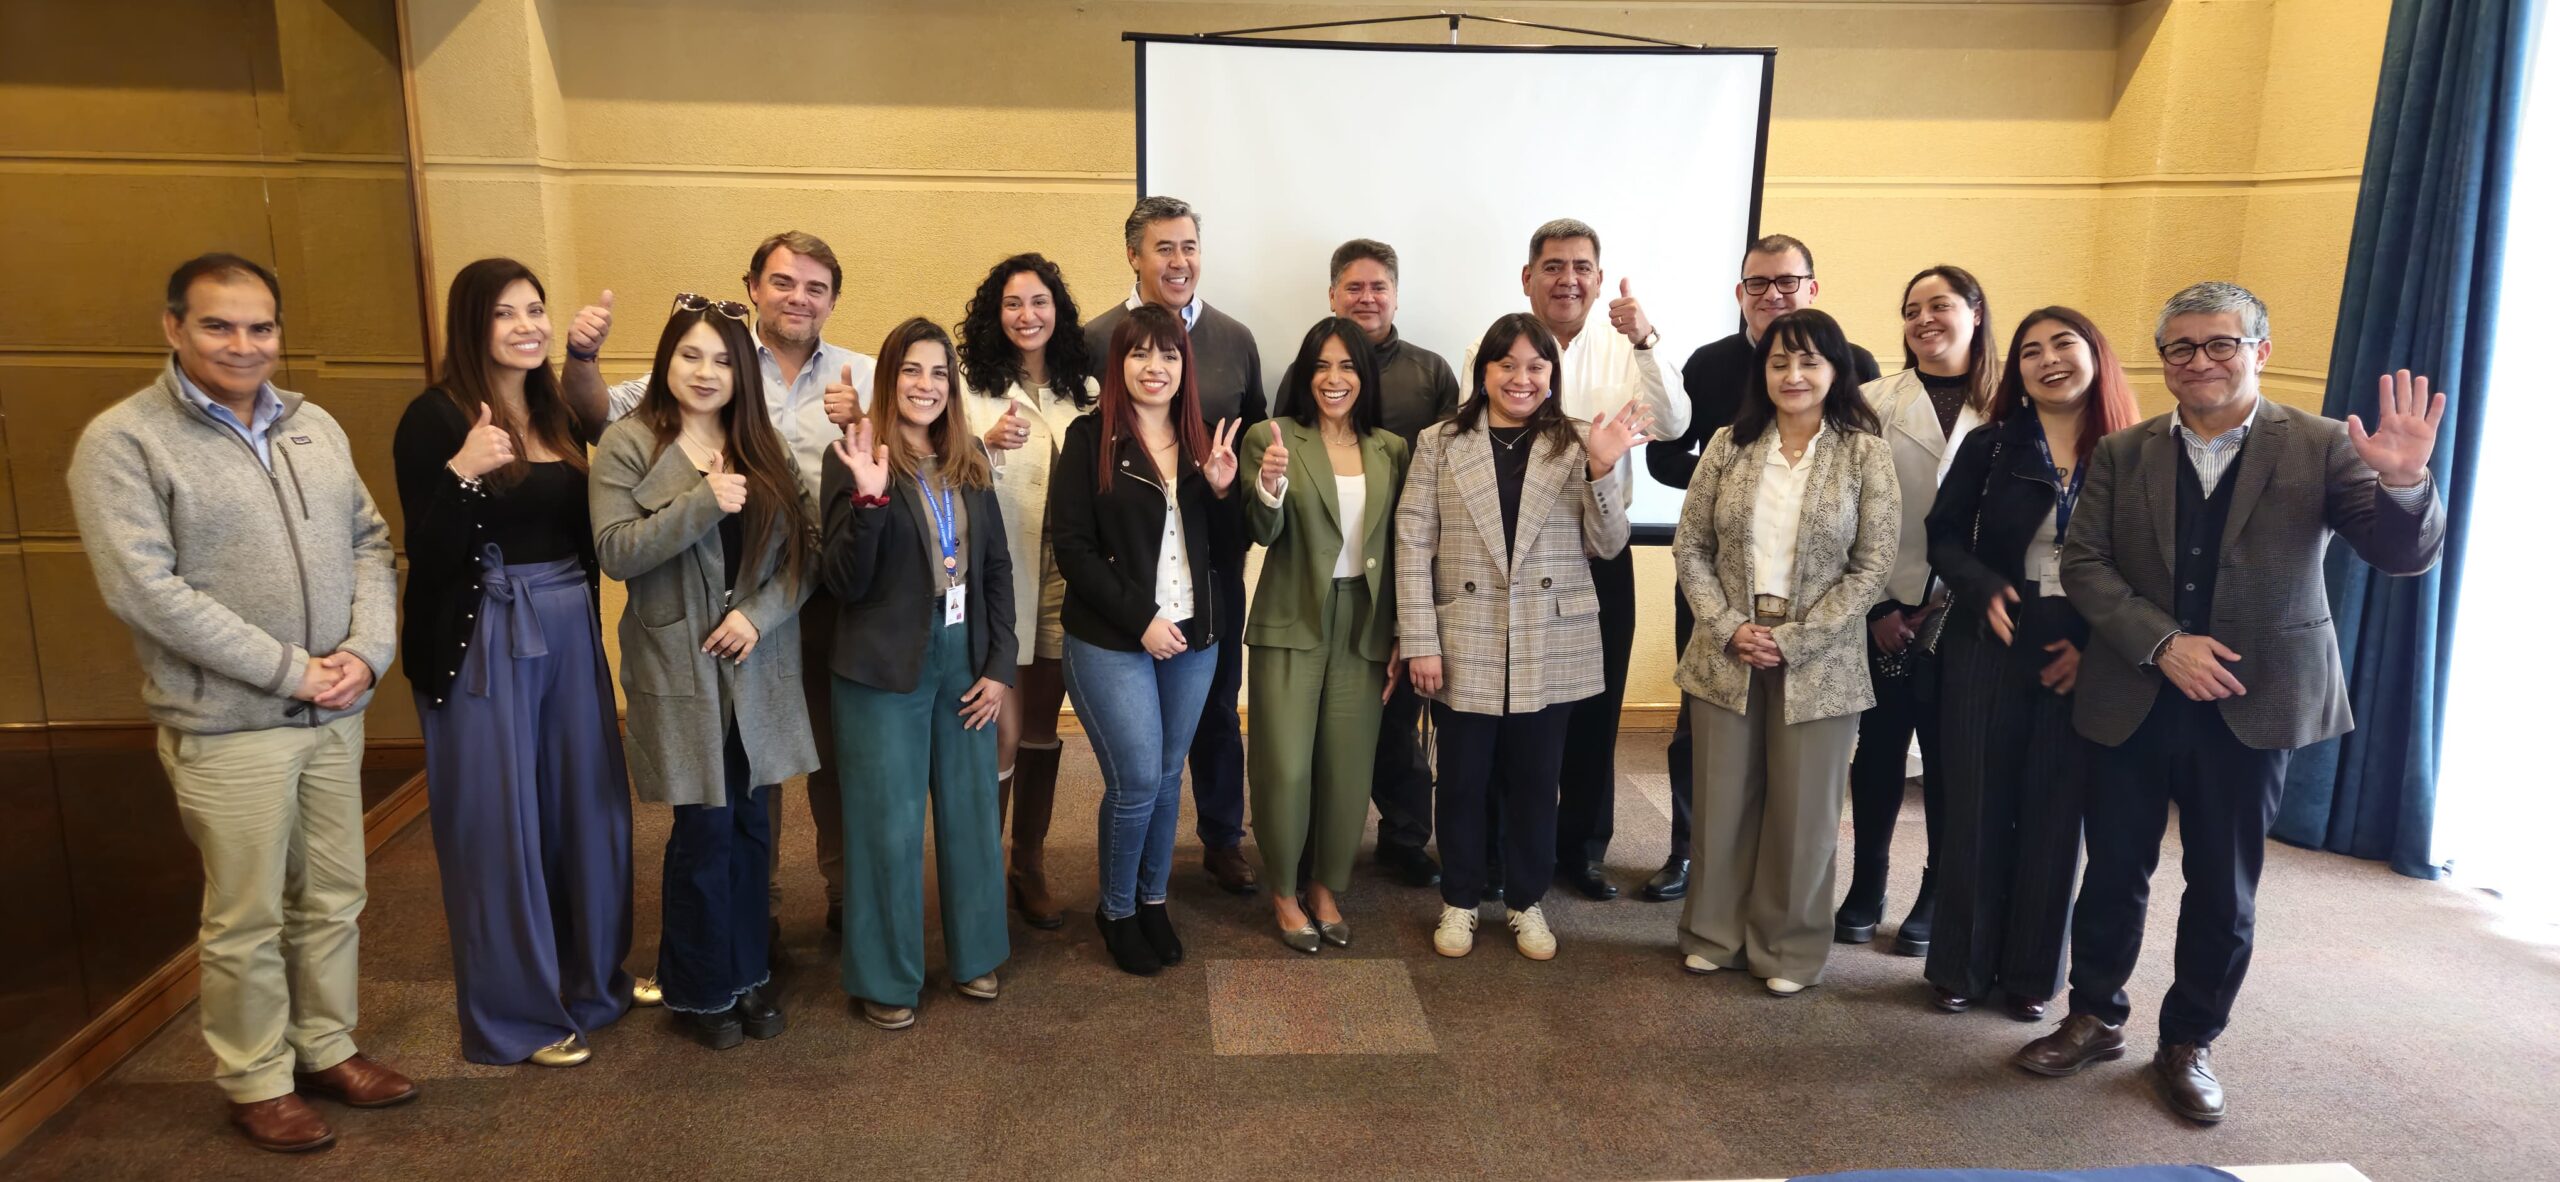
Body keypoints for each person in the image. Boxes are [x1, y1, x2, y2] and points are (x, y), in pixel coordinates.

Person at [2016, 282, 2446, 1124]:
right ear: (2163, 361)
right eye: (2181, 348)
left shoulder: (2322, 445)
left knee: (2224, 886)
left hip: (2257, 700)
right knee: (2112, 874)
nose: (2200, 361)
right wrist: (2163, 643)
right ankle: (2096, 1013)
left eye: (2221, 344)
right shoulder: (2125, 451)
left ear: (2261, 350)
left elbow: (2401, 557)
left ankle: (2190, 1042)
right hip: (2135, 692)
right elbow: (2086, 566)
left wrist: (2405, 485)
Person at [69, 253, 415, 1152]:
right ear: (174, 327)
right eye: (219, 325)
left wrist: (365, 654)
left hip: (336, 710)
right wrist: (289, 669)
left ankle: (326, 1047)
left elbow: (372, 544)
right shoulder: (127, 441)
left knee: (334, 897)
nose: (243, 343)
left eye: (260, 326)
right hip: (230, 727)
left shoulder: (314, 425)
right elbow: (148, 591)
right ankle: (257, 1078)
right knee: (248, 914)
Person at [562, 231, 875, 942]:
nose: (799, 297)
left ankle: (840, 893)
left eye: (816, 287)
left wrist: (864, 427)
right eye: (783, 282)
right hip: (715, 601)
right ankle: (751, 917)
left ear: (833, 299)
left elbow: (903, 453)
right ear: (755, 286)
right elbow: (595, 416)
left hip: (825, 589)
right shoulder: (711, 355)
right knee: (735, 781)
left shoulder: (861, 373)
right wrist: (581, 357)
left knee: (827, 753)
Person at [392, 258, 631, 1068]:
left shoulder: (556, 407)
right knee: (499, 828)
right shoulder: (433, 419)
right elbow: (424, 554)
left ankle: (592, 983)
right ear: (472, 326)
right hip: (483, 636)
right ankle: (514, 1018)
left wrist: (585, 357)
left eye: (535, 308)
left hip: (568, 627)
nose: (526, 325)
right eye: (505, 314)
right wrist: (463, 475)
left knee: (584, 808)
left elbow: (614, 473)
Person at [590, 300, 819, 1048]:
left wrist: (758, 615)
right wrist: (700, 501)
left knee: (754, 827)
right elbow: (617, 551)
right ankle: (698, 988)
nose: (707, 372)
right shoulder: (628, 444)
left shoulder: (763, 444)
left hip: (754, 660)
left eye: (723, 360)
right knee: (704, 830)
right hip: (678, 664)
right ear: (665, 362)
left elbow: (802, 557)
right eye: (691, 356)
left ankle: (749, 974)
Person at [1643, 233, 1880, 903]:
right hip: (1719, 580)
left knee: (1801, 749)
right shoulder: (1709, 364)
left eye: (1786, 281)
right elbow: (1664, 458)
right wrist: (1737, 486)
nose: (1772, 294)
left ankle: (1777, 885)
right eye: (1758, 283)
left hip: (1816, 600)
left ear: (1812, 287)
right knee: (1704, 729)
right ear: (1740, 293)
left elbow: (1869, 491)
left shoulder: (1852, 361)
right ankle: (1689, 851)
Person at [1401, 313, 1644, 962]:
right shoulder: (1439, 442)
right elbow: (1412, 542)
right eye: (1506, 364)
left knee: (1538, 780)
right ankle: (1459, 898)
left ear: (1552, 375)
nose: (1521, 377)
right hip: (1464, 634)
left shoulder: (1577, 442)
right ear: (1483, 372)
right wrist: (1419, 637)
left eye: (1536, 365)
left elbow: (1609, 543)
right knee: (1461, 779)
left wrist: (1601, 471)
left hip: (1549, 637)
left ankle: (1526, 900)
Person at [1670, 308, 1898, 997]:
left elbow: (1872, 565)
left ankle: (1788, 950)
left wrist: (1795, 639)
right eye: (1778, 362)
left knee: (1803, 815)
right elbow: (1692, 546)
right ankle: (1714, 934)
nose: (1793, 375)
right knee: (1721, 802)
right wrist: (1726, 624)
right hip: (1727, 649)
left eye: (1809, 362)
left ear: (1837, 371)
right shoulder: (1728, 445)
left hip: (1820, 659)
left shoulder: (1864, 451)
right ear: (1761, 372)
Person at [1461, 218, 1689, 902]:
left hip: (1599, 552)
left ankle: (1581, 850)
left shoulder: (1627, 349)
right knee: (1512, 710)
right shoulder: (1493, 347)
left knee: (1596, 705)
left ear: (1597, 278)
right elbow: (1469, 440)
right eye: (1553, 266)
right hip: (1513, 562)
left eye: (1581, 267)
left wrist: (1647, 339)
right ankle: (1501, 850)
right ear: (1526, 279)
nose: (1568, 278)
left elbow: (1674, 424)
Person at [1922, 307, 2138, 1020]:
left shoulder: (2134, 454)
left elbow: (2149, 569)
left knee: (2055, 818)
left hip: (2084, 652)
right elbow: (1943, 536)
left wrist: (2100, 650)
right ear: (2015, 372)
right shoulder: (1992, 446)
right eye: (2030, 353)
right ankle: (1960, 963)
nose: (2048, 361)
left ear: (2096, 354)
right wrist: (1980, 586)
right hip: (1990, 644)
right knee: (1977, 809)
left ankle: (2028, 976)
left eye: (2064, 344)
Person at [820, 318, 1017, 1029]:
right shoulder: (853, 455)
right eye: (911, 370)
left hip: (962, 653)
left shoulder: (968, 461)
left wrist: (999, 666)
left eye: (938, 373)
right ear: (888, 378)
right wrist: (871, 500)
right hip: (880, 662)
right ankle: (887, 978)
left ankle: (976, 956)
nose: (925, 386)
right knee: (888, 823)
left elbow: (995, 569)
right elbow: (843, 580)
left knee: (970, 810)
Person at [1083, 196, 1267, 896]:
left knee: (1218, 707)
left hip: (1214, 567)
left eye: (1189, 246)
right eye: (1164, 248)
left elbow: (1253, 447)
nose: (1180, 261)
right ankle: (1126, 873)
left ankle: (1222, 838)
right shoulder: (1097, 336)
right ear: (1134, 255)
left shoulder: (1235, 339)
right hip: (1126, 575)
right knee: (1138, 744)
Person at [1052, 303, 1244, 975]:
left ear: (1185, 364)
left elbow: (1228, 552)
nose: (1154, 367)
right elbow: (1072, 549)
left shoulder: (1204, 444)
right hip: (1113, 639)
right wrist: (1141, 619)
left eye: (1168, 355)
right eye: (1139, 354)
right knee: (1135, 779)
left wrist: (1224, 493)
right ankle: (1117, 908)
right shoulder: (1088, 439)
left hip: (1195, 637)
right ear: (1119, 364)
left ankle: (1152, 897)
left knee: (1166, 777)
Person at [1840, 264, 1999, 957]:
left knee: (1950, 759)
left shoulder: (2009, 405)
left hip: (1970, 615)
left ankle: (1936, 890)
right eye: (1911, 310)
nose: (1924, 320)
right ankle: (1866, 884)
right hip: (1884, 609)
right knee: (1876, 754)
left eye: (1939, 305)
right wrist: (1876, 603)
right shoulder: (1870, 400)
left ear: (1975, 312)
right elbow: (1844, 512)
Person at [1241, 318, 1412, 952]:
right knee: (1284, 766)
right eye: (1321, 366)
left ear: (1365, 376)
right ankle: (1283, 891)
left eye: (1347, 367)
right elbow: (1263, 530)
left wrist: (1400, 631)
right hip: (1292, 619)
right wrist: (1270, 484)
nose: (1334, 379)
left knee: (1347, 765)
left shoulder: (1389, 448)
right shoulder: (1275, 437)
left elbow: (1400, 546)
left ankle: (1325, 886)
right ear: (1305, 374)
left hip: (1364, 624)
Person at [958, 252, 1097, 931]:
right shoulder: (966, 388)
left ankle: (1028, 864)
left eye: (1039, 302)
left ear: (1058, 311)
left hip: (1066, 582)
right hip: (1000, 574)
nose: (1027, 315)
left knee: (1041, 727)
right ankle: (980, 865)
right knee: (999, 733)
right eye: (1013, 303)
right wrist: (980, 443)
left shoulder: (1088, 388)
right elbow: (928, 468)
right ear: (995, 313)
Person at [1317, 238, 1461, 890]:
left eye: (1378, 287)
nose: (1367, 298)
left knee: (1400, 719)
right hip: (1331, 570)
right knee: (1324, 713)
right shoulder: (1313, 367)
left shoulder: (1430, 374)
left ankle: (1404, 837)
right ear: (1333, 295)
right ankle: (1319, 835)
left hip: (1409, 569)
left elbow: (1456, 472)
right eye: (1354, 287)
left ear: (1396, 295)